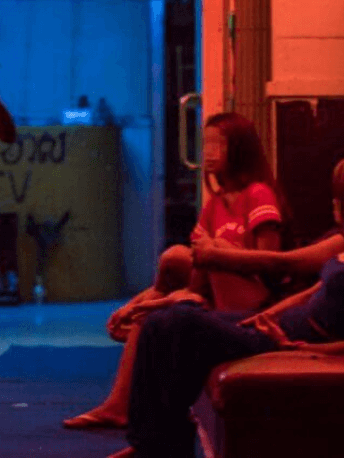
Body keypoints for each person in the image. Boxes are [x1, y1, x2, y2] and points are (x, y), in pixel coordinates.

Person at [109, 131, 344, 458]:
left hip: (285, 338)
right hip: (273, 323)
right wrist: (269, 314)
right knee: (161, 321)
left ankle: (154, 448)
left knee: (175, 325)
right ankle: (153, 445)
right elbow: (313, 290)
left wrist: (291, 347)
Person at [64, 112, 284, 429]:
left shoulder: (258, 194)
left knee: (193, 254)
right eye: (204, 143)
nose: (207, 152)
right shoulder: (215, 203)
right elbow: (196, 278)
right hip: (213, 296)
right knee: (164, 281)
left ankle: (155, 306)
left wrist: (222, 254)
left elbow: (270, 265)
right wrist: (137, 305)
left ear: (239, 149)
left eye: (217, 144)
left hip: (254, 305)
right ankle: (118, 405)